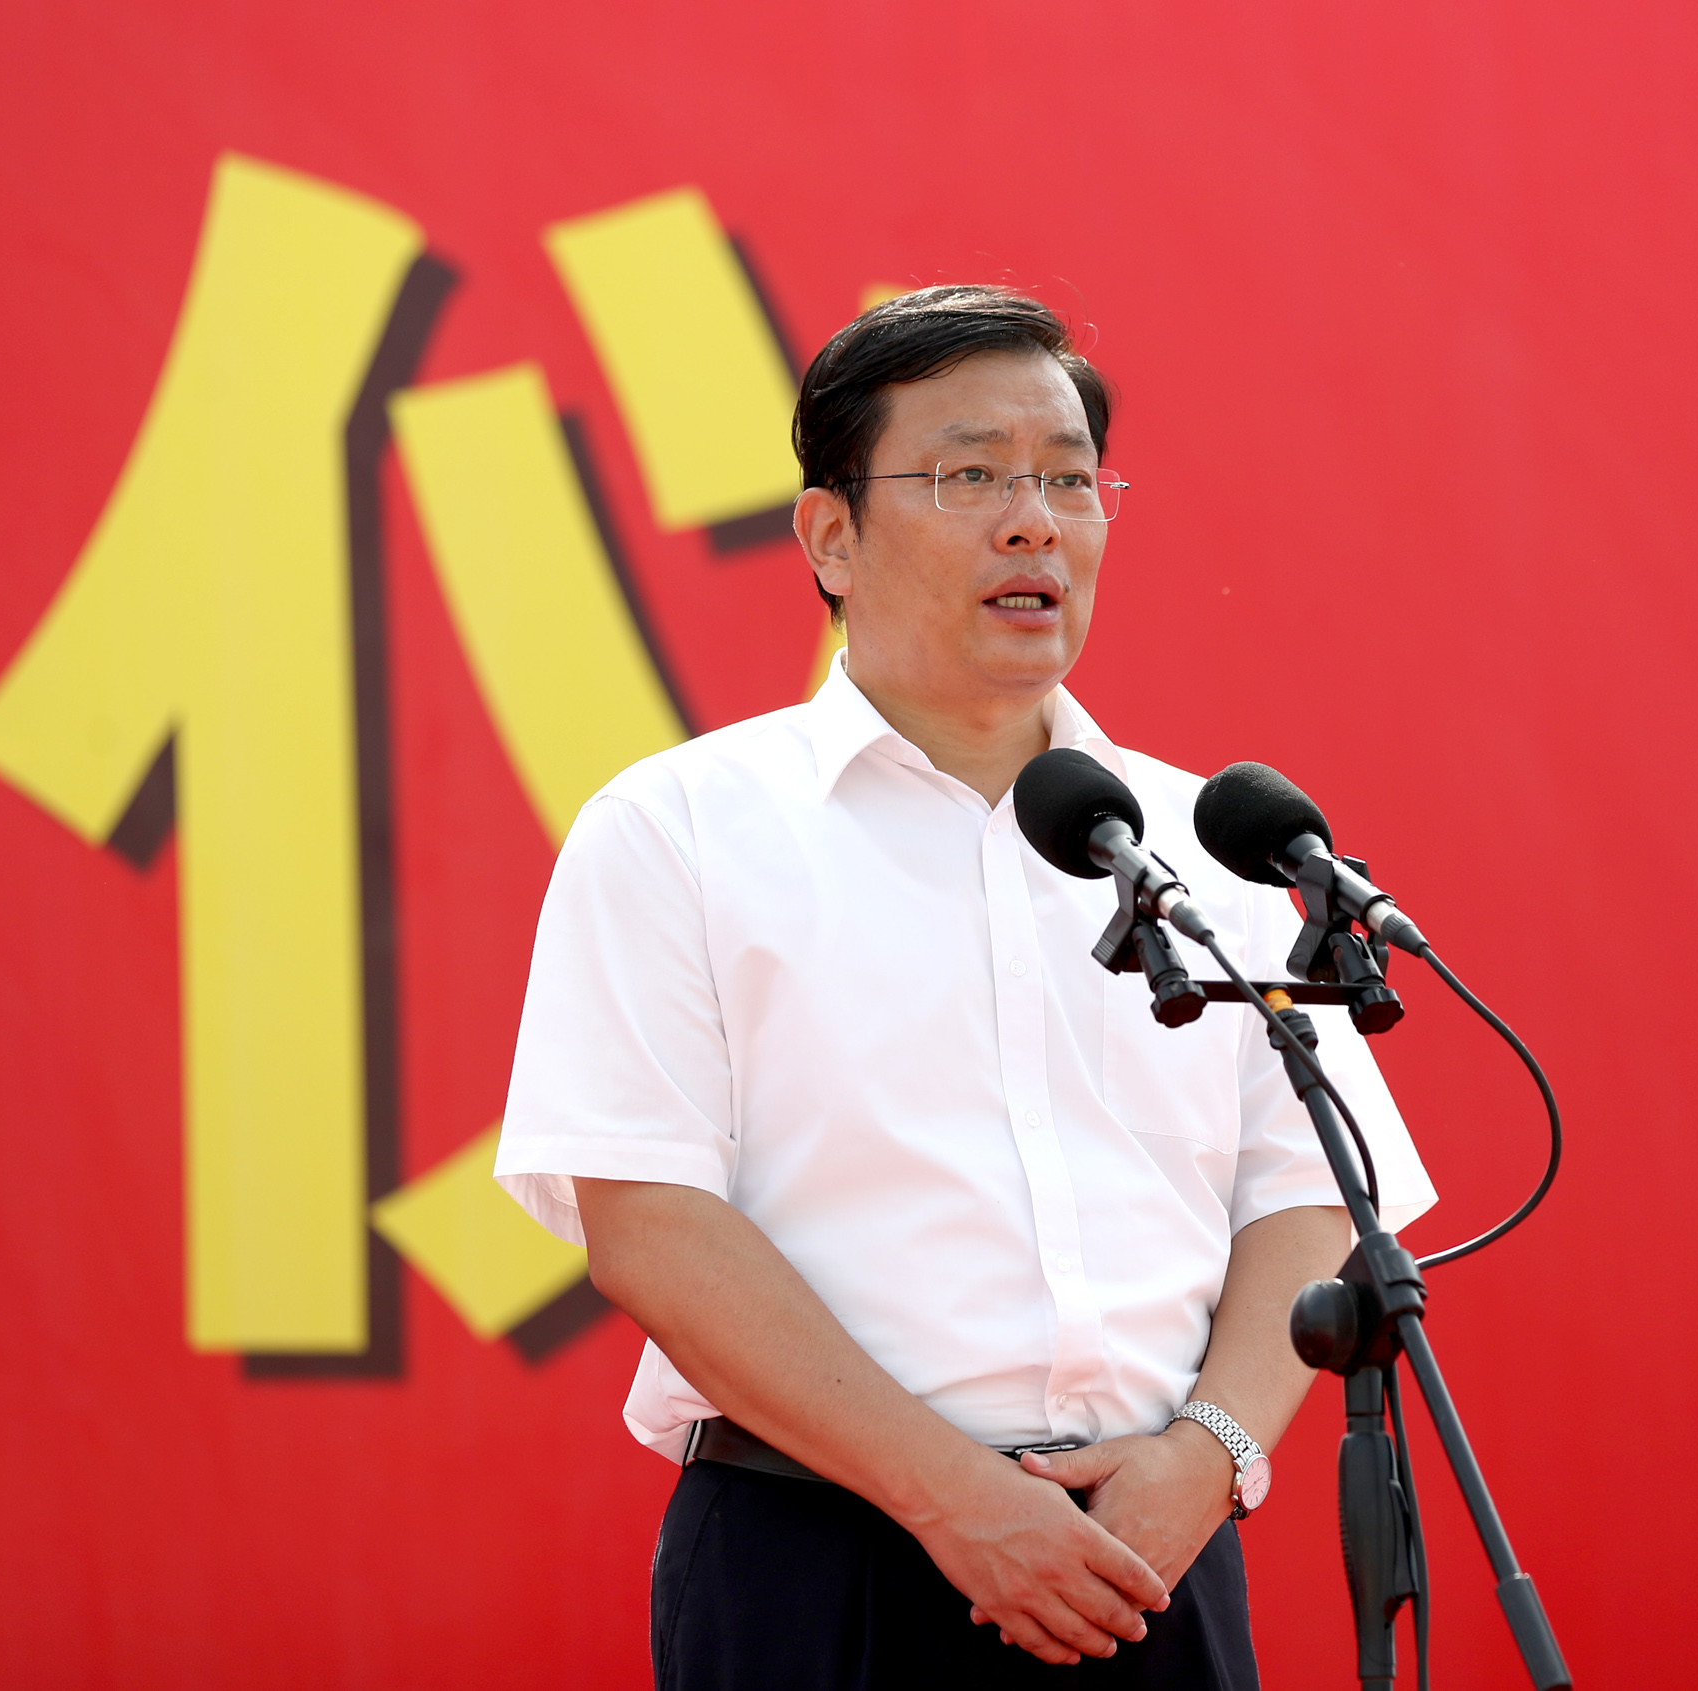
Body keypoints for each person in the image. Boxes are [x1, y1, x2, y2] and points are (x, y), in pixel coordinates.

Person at [495, 285, 1436, 1689]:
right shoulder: (679, 830)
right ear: (830, 536)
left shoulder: (1207, 847)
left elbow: (1309, 1194)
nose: (1033, 522)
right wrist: (956, 1500)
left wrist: (1211, 1456)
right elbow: (652, 1226)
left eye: (1069, 479)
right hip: (826, 1565)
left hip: (1147, 1554)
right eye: (970, 476)